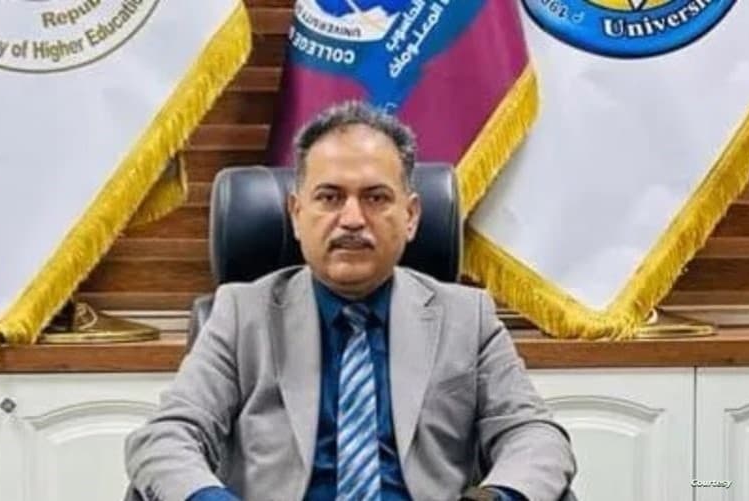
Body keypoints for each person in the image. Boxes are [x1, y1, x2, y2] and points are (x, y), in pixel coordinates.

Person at [124, 101, 577, 501]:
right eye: (329, 197)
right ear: (296, 214)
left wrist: (497, 497)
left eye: (376, 198)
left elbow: (534, 436)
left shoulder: (467, 317)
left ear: (411, 216)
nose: (353, 219)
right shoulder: (242, 314)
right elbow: (166, 438)